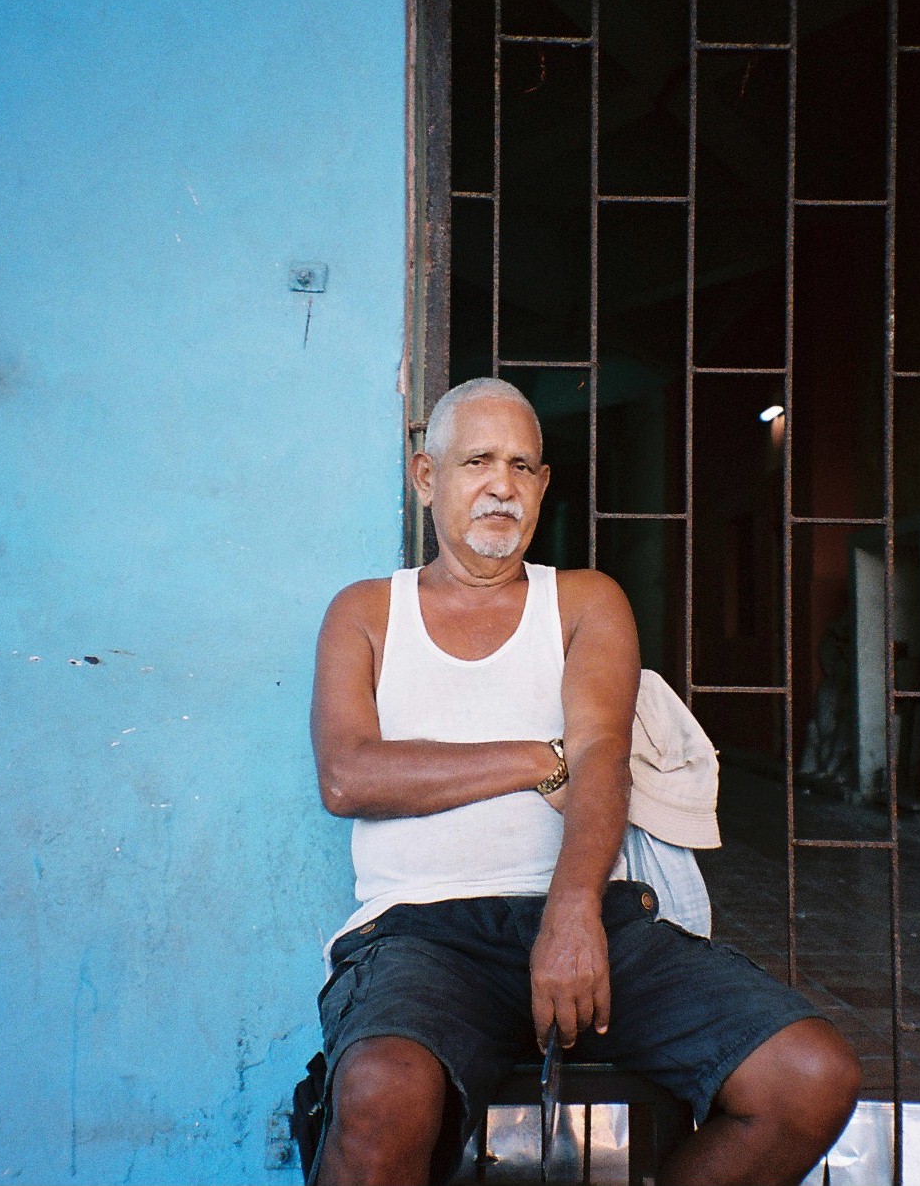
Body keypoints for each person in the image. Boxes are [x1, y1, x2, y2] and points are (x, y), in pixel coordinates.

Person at [308, 377, 859, 1186]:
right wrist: (540, 757)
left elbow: (601, 756)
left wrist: (570, 916)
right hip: (417, 935)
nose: (502, 485)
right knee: (380, 1092)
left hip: (591, 916)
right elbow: (350, 776)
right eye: (479, 462)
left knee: (809, 1075)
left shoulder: (584, 602)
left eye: (523, 466)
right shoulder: (366, 612)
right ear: (427, 477)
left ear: (543, 486)